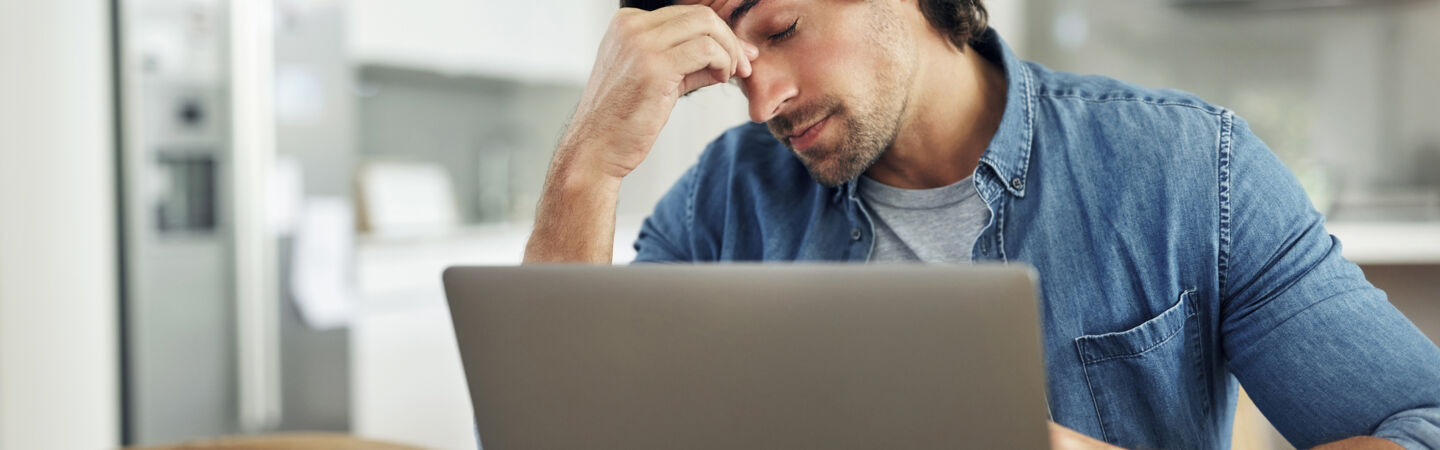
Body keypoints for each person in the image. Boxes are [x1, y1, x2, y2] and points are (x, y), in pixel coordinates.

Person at [522, 0, 1440, 447]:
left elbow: (1422, 425)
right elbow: (559, 433)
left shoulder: (1190, 168)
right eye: (730, 64)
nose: (762, 96)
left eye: (785, 26)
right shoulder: (726, 194)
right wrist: (588, 159)